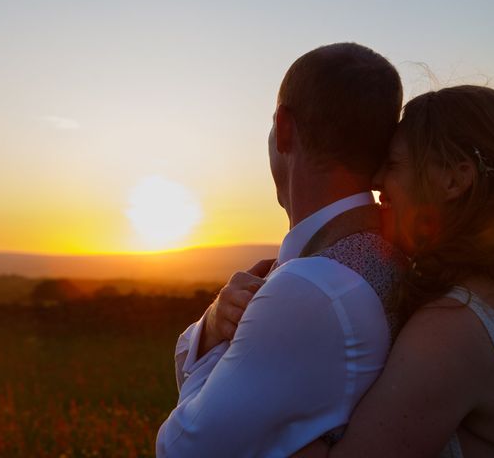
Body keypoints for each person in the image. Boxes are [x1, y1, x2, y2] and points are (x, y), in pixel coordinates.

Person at [221, 86, 494, 457]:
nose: (376, 182)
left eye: (393, 164)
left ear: (454, 179)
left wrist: (249, 370)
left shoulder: (455, 327)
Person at [156, 42, 404, 457]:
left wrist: (218, 345)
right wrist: (216, 323)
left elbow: (182, 447)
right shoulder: (383, 254)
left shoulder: (312, 288)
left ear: (284, 127)